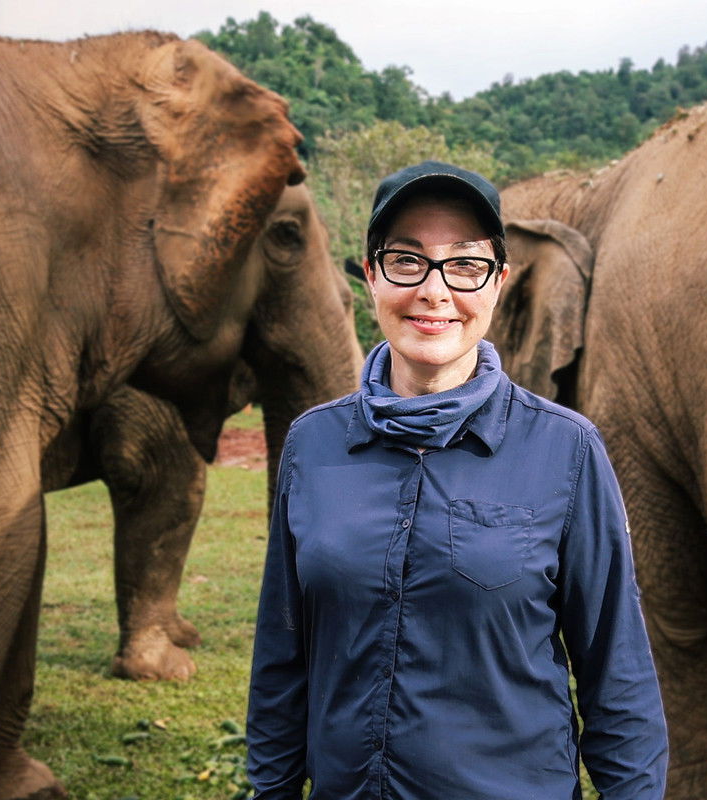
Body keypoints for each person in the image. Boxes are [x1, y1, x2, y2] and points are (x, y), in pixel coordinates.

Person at [243, 161, 668, 799]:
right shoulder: (314, 444)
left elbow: (618, 672)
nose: (434, 290)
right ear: (371, 276)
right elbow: (282, 659)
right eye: (406, 261)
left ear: (498, 283)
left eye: (465, 265)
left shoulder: (566, 450)